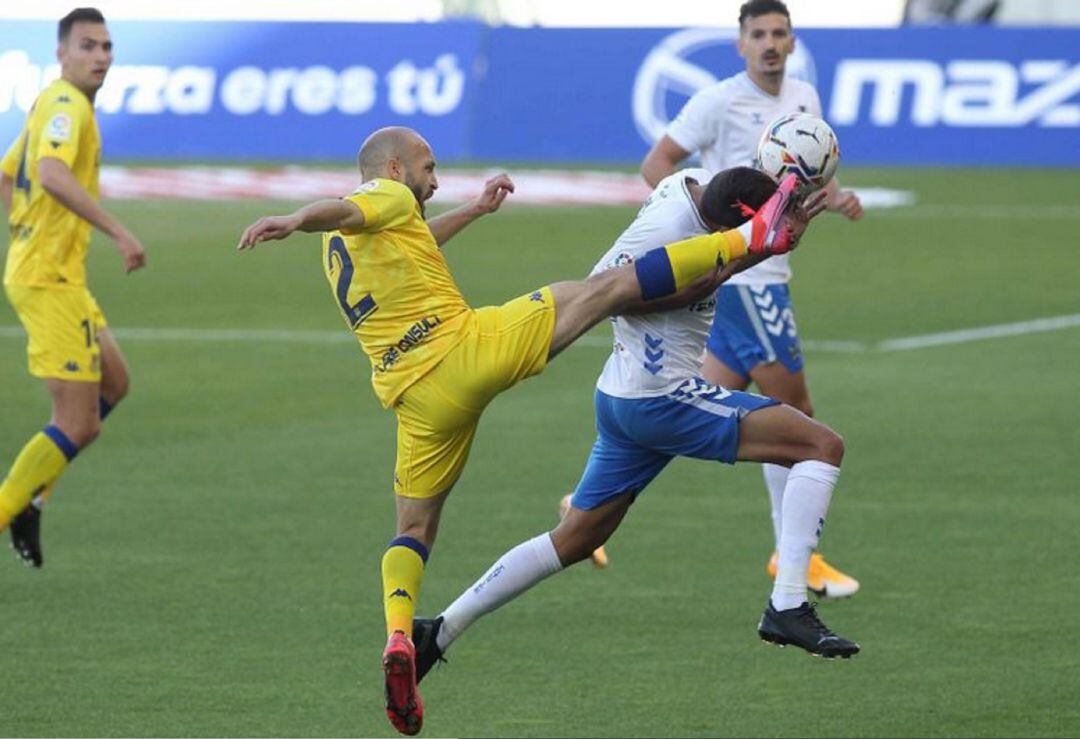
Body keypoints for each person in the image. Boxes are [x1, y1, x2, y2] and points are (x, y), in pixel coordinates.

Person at [236, 127, 806, 736]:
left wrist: (475, 211)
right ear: (395, 169)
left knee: (412, 528)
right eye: (429, 169)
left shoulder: (350, 247)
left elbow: (411, 241)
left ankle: (401, 638)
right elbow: (345, 208)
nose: (436, 181)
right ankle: (747, 236)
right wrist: (296, 217)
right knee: (604, 289)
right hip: (467, 351)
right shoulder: (385, 196)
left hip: (414, 401)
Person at [407, 167, 858, 697]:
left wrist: (768, 238)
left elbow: (722, 250)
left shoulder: (689, 188)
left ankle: (437, 633)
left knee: (573, 540)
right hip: (662, 399)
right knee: (820, 446)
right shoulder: (669, 229)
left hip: (623, 399)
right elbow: (609, 290)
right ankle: (786, 604)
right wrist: (747, 253)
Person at [640, 0, 864, 598]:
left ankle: (586, 498)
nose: (769, 43)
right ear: (741, 43)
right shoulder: (718, 100)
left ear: (792, 42)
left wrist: (836, 197)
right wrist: (701, 230)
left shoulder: (805, 99)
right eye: (758, 33)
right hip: (744, 278)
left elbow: (810, 168)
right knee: (798, 417)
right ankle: (793, 558)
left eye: (779, 33)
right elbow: (658, 162)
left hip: (770, 271)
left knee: (679, 410)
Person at [0, 7, 147, 568]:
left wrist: (26, 230)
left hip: (54, 274)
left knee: (116, 381)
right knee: (77, 422)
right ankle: (21, 501)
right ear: (62, 52)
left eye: (107, 47)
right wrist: (118, 231)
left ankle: (34, 495)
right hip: (48, 281)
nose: (101, 57)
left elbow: (6, 171)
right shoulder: (66, 107)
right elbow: (53, 174)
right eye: (88, 46)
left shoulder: (50, 102)